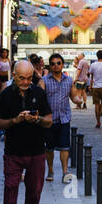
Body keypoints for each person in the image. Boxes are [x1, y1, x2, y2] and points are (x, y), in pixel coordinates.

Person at [0, 60, 53, 204]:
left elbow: (49, 120)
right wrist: (14, 121)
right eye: (22, 78)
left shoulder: (39, 93)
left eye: (29, 78)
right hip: (13, 151)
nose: (26, 82)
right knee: (11, 187)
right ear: (14, 75)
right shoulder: (5, 95)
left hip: (36, 151)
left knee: (34, 190)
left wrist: (37, 119)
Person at [42, 53, 78, 184]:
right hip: (49, 119)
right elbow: (41, 98)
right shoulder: (44, 80)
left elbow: (73, 97)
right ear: (50, 66)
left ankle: (65, 172)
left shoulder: (69, 80)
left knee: (64, 147)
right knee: (49, 148)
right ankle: (50, 171)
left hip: (64, 118)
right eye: (53, 64)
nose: (56, 66)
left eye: (58, 63)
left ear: (62, 65)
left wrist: (78, 100)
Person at [88, 51, 102, 127]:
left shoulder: (93, 65)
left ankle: (98, 122)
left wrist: (90, 86)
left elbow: (91, 77)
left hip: (95, 87)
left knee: (97, 105)